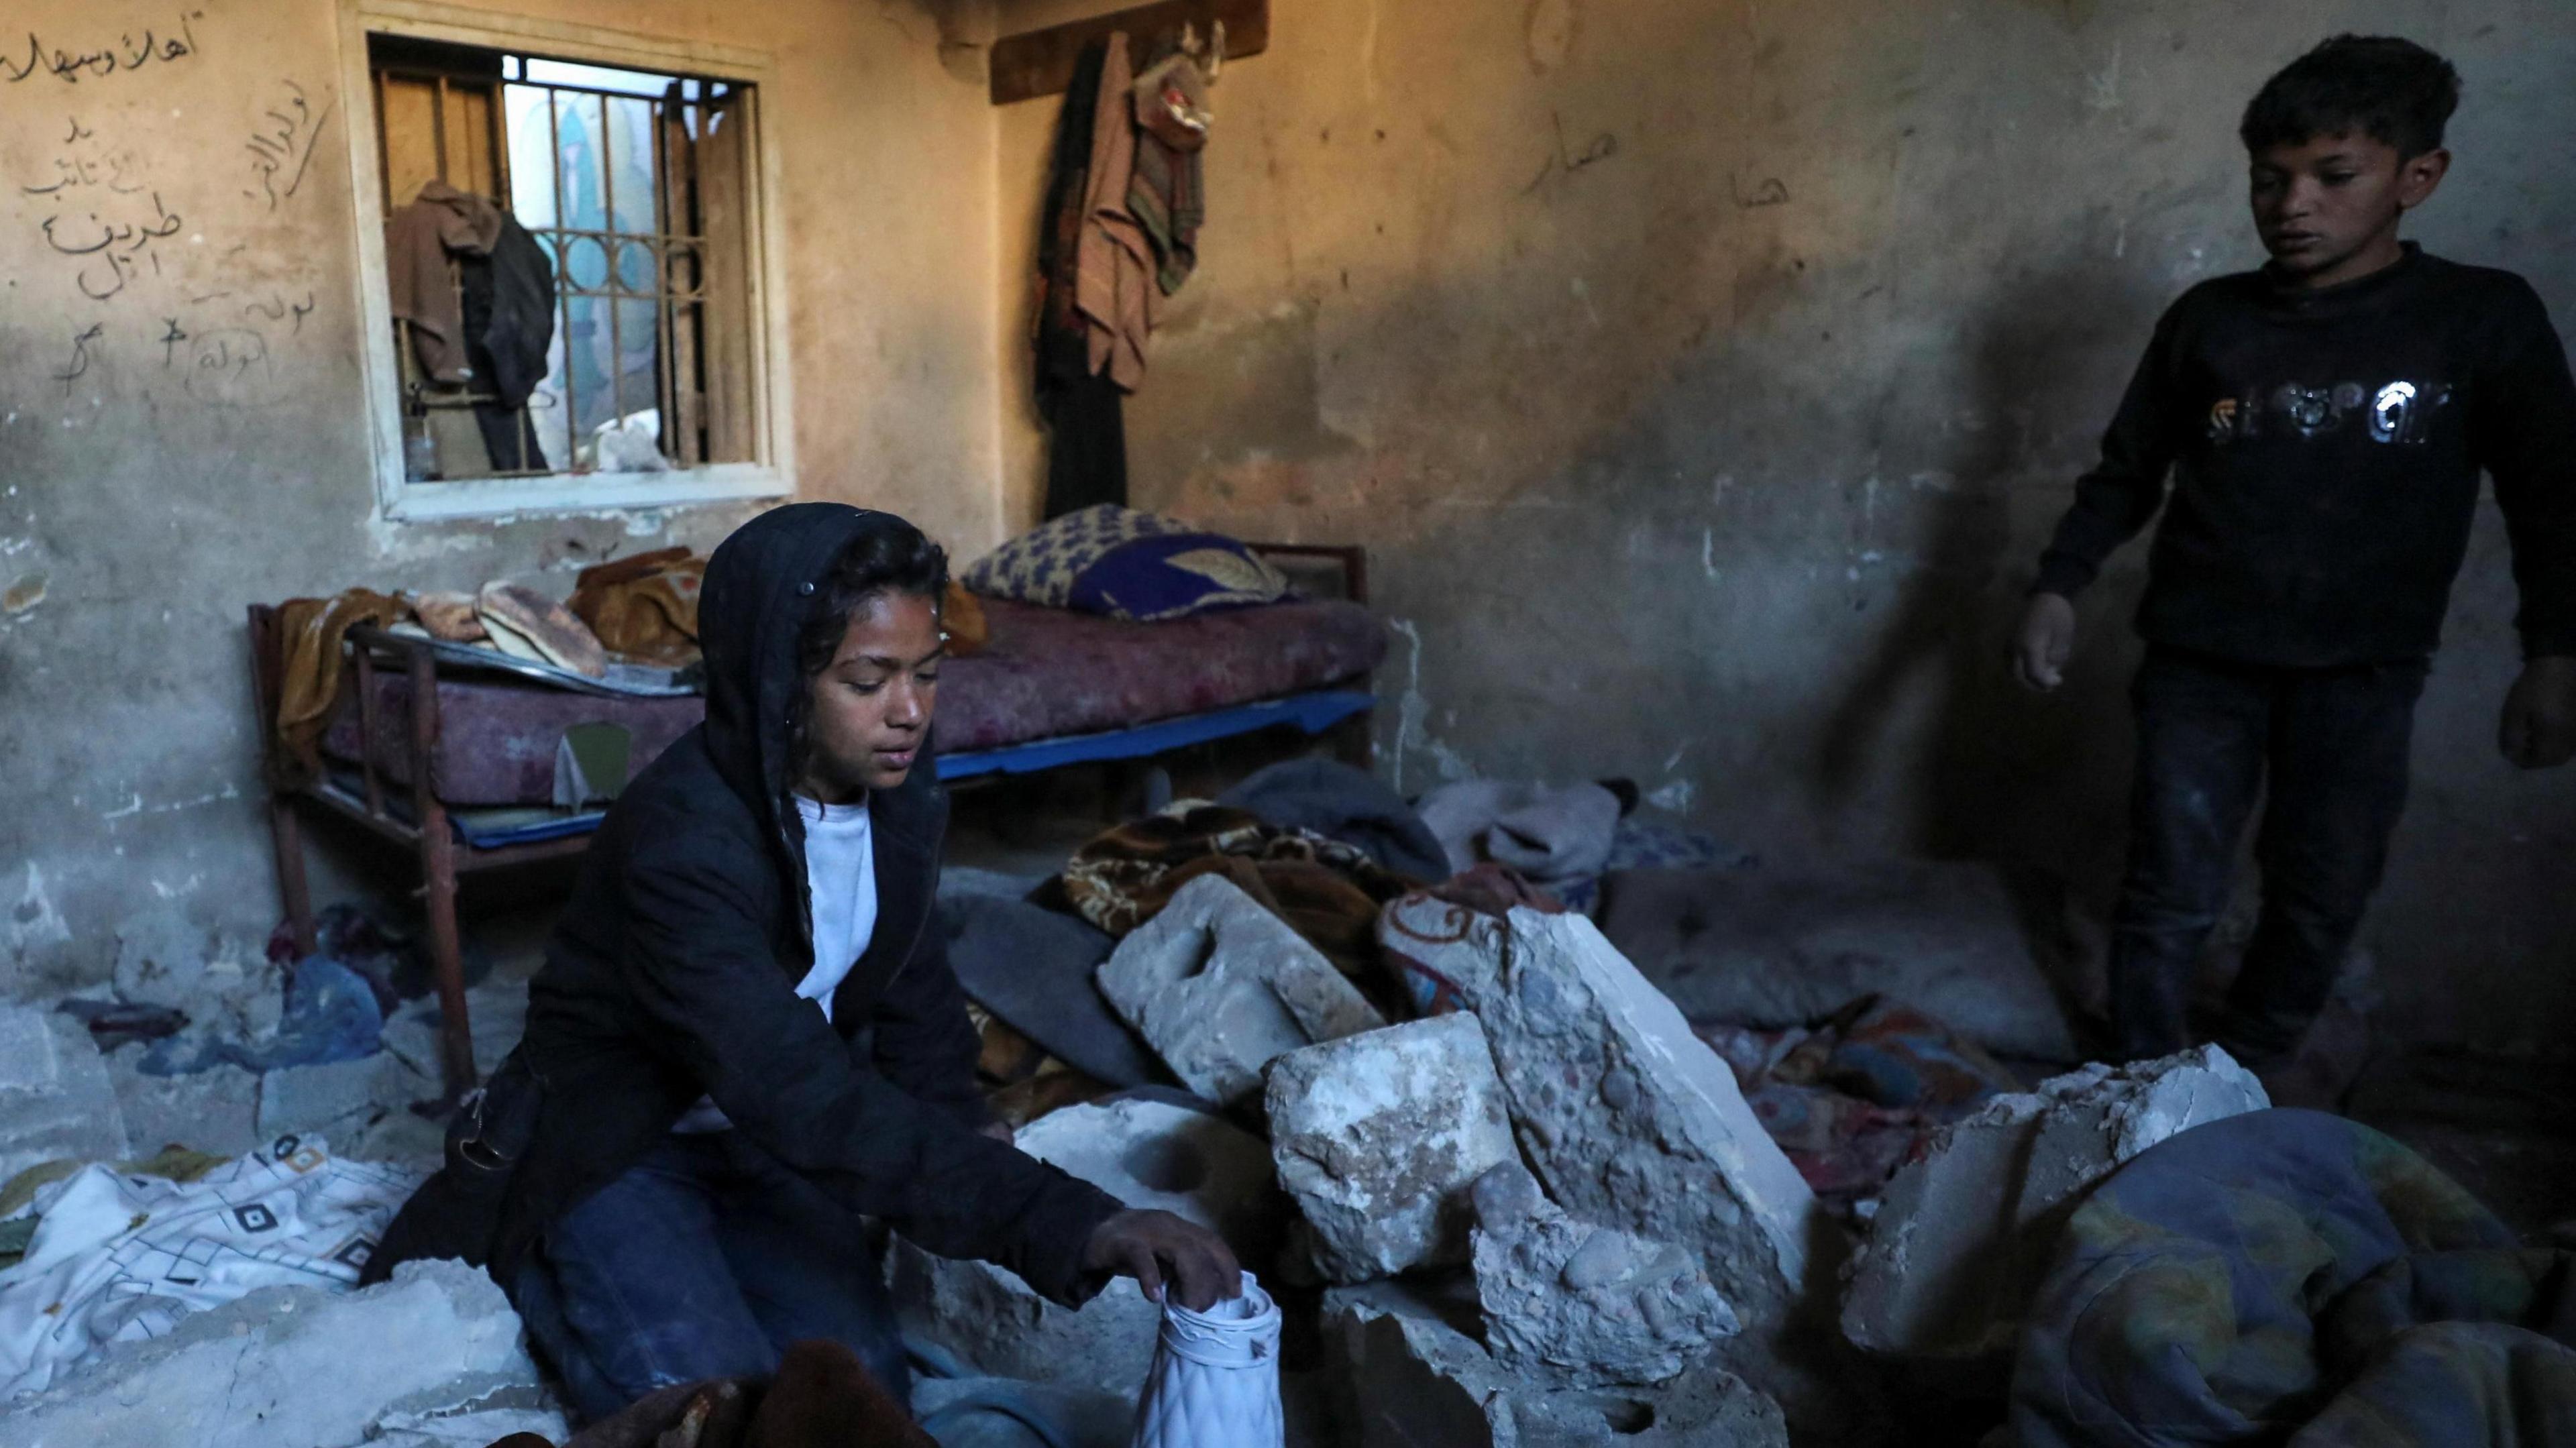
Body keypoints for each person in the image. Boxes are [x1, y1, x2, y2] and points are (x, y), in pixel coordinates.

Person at [369, 504, 1240, 1423]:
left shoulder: (890, 781)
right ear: (783, 681)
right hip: (624, 1146)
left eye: (926, 673)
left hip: (757, 1141)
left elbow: (908, 967)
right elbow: (800, 1088)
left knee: (857, 1381)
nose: (909, 711)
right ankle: (549, 1260)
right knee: (723, 1406)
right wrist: (1070, 1219)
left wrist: (958, 1118)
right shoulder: (684, 842)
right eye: (869, 680)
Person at [2009, 36, 2576, 1072]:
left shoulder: (2480, 320)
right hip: (2200, 661)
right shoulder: (2210, 322)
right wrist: (2060, 583)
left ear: (2419, 177)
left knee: (2322, 892)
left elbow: (2552, 497)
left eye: (2332, 176)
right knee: (2171, 884)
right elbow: (2128, 471)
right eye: (2270, 180)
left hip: (2364, 669)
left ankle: (2249, 1071)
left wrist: (2555, 652)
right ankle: (2144, 1081)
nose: (2293, 204)